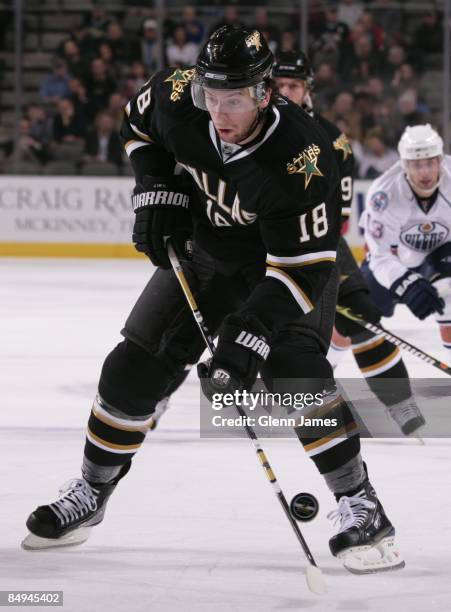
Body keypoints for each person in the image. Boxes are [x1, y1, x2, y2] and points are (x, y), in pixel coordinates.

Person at [23, 26, 404, 575]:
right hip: (207, 256)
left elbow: (305, 269)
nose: (219, 114)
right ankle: (92, 490)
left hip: (283, 272)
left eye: (235, 100)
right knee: (130, 367)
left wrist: (246, 337)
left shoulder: (304, 157)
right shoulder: (179, 96)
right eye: (212, 96)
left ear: (265, 93)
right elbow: (137, 125)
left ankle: (362, 505)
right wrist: (159, 189)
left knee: (297, 379)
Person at [271, 51, 425, 437]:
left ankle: (399, 400)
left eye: (293, 84)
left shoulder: (333, 142)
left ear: (309, 90)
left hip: (314, 244)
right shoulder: (249, 128)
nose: (285, 91)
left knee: (360, 316)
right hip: (254, 246)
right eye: (278, 85)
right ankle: (150, 395)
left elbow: (334, 221)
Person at [361, 124, 450, 363]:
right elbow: (379, 256)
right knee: (357, 312)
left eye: (430, 162)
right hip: (395, 261)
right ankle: (324, 374)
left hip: (442, 255)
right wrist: (406, 284)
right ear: (403, 164)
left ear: (441, 160)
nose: (424, 172)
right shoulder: (385, 193)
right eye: (416, 164)